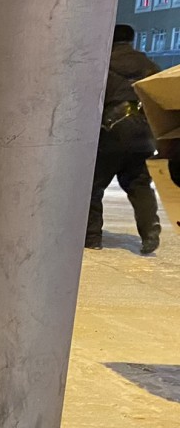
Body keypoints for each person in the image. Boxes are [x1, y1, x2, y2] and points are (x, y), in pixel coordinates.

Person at [86, 24, 161, 255]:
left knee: (92, 185)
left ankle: (92, 237)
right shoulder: (150, 66)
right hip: (144, 132)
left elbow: (91, 99)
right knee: (139, 183)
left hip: (113, 130)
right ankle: (150, 229)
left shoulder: (102, 65)